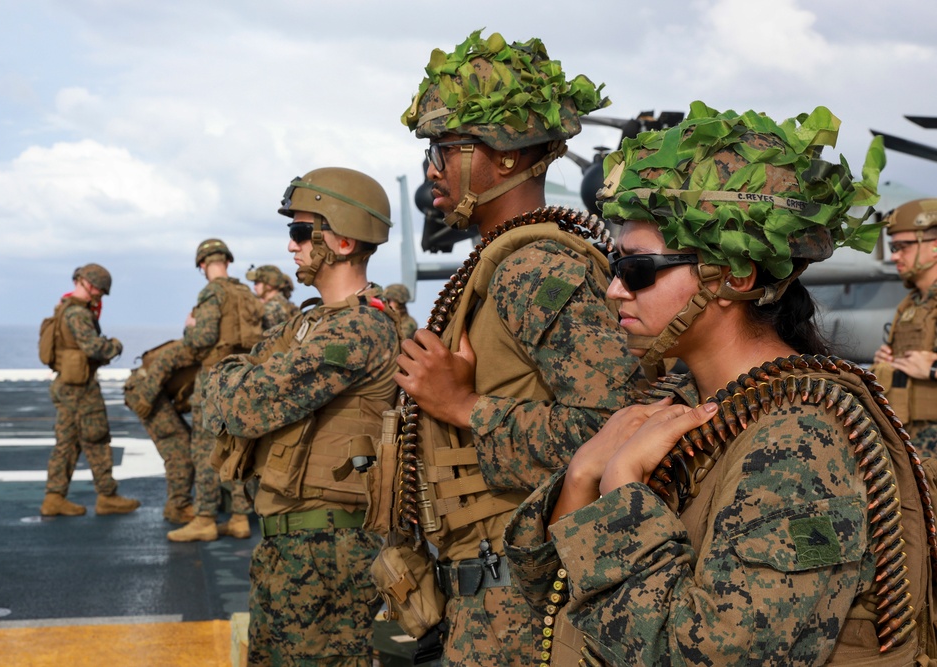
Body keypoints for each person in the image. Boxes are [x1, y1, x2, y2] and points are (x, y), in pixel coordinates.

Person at [504, 103, 937, 665]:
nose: (613, 290)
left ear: (733, 276)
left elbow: (711, 654)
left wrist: (620, 486)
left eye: (637, 269)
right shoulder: (679, 404)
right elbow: (546, 586)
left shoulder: (801, 441)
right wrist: (584, 473)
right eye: (615, 264)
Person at [389, 30, 641, 666]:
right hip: (490, 592)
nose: (432, 170)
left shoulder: (535, 269)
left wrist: (464, 407)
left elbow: (617, 427)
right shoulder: (501, 263)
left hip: (522, 605)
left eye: (448, 150)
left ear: (504, 159)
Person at [201, 167, 400, 666]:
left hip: (329, 550)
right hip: (291, 543)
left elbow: (242, 404)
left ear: (345, 239)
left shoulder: (362, 329)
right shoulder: (309, 322)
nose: (291, 246)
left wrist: (231, 375)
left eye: (301, 231)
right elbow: (230, 390)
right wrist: (235, 377)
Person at [167, 239, 264, 542]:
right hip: (241, 376)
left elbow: (202, 337)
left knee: (205, 450)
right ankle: (238, 517)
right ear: (227, 261)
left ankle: (205, 518)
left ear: (202, 265)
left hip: (212, 379)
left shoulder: (212, 293)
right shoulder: (245, 293)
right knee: (236, 447)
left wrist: (189, 327)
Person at [40, 263, 141, 517]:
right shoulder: (78, 314)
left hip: (66, 384)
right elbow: (95, 348)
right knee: (96, 438)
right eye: (101, 291)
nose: (100, 296)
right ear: (92, 285)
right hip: (81, 389)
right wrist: (115, 346)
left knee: (67, 443)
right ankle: (107, 496)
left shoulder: (63, 308)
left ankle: (54, 497)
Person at [872, 198, 937, 454]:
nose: (895, 256)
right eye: (892, 247)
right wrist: (886, 362)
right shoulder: (911, 304)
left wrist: (932, 367)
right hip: (911, 439)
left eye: (902, 247)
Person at [123, 339, 197, 524]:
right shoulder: (205, 341)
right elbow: (166, 359)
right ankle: (178, 507)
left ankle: (178, 503)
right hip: (145, 390)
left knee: (184, 441)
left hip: (151, 390)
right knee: (179, 446)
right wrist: (147, 399)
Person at [246, 263, 300, 330]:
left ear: (269, 285)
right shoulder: (284, 303)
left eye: (257, 283)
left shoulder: (272, 307)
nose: (254, 287)